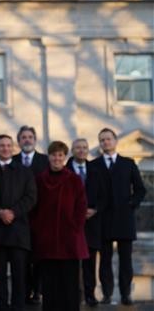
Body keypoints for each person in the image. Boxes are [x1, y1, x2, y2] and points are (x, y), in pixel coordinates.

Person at [30, 141, 88, 311]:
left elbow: (81, 206)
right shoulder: (40, 179)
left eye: (60, 155)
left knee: (70, 284)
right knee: (49, 284)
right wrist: (38, 229)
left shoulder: (74, 180)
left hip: (69, 240)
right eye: (54, 155)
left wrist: (74, 228)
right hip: (46, 240)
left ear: (65, 157)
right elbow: (34, 207)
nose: (57, 158)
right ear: (49, 157)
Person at [92, 128, 146, 306]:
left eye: (108, 139)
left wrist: (131, 205)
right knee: (105, 260)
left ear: (115, 141)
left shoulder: (128, 163)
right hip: (103, 219)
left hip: (124, 219)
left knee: (125, 260)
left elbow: (140, 189)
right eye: (102, 140)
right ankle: (107, 294)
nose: (105, 142)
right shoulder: (94, 165)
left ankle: (125, 295)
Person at [0, 135, 37, 311]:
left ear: (13, 148)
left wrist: (13, 212)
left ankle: (18, 307)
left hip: (18, 232)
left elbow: (31, 197)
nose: (6, 148)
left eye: (9, 145)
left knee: (19, 276)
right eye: (2, 145)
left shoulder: (24, 171)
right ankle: (0, 307)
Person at [66, 138, 109, 307]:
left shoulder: (96, 170)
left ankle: (90, 295)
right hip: (71, 223)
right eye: (78, 148)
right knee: (70, 263)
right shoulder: (65, 170)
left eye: (85, 148)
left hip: (91, 223)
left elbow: (105, 195)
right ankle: (72, 295)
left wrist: (95, 209)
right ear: (72, 150)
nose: (82, 150)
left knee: (90, 262)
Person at [11, 125, 47, 304]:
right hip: (18, 218)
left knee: (39, 256)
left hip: (40, 216)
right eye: (23, 137)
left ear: (35, 140)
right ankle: (24, 292)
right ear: (18, 141)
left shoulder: (45, 161)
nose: (27, 140)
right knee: (21, 259)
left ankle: (37, 291)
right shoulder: (13, 161)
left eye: (30, 137)